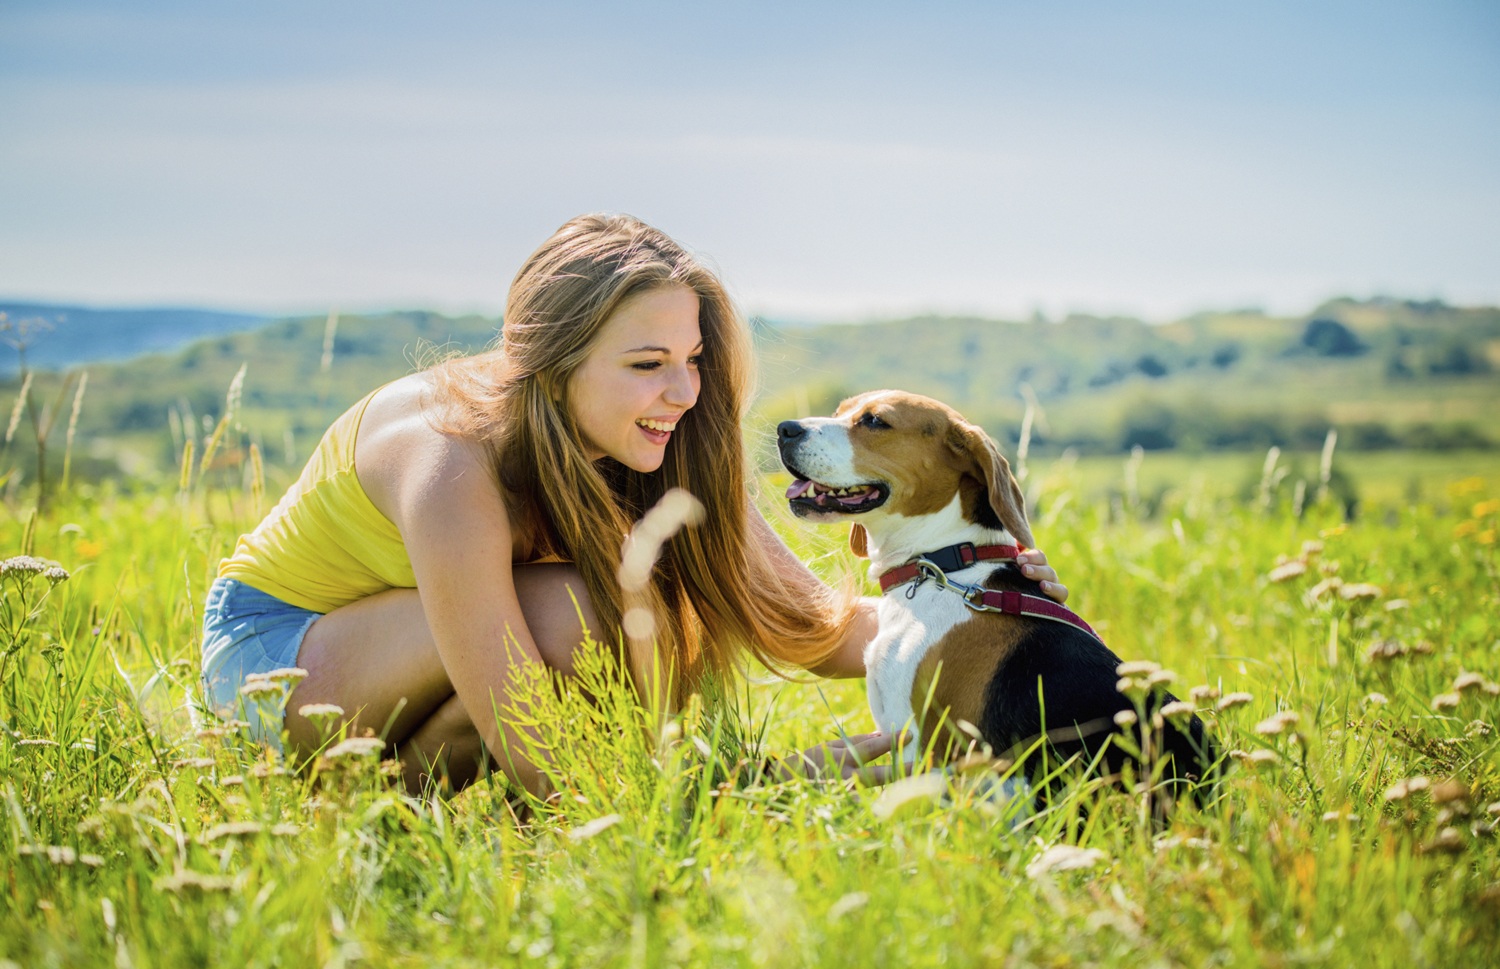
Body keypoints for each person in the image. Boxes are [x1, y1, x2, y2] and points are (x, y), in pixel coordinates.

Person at [200, 213, 1066, 797]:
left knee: (668, 604)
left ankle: (392, 801)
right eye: (647, 363)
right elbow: (535, 742)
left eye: (692, 359)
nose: (684, 391)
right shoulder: (445, 457)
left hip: (428, 661)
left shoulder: (660, 443)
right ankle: (350, 795)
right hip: (279, 649)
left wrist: (990, 611)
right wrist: (759, 786)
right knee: (599, 611)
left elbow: (816, 627)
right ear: (555, 360)